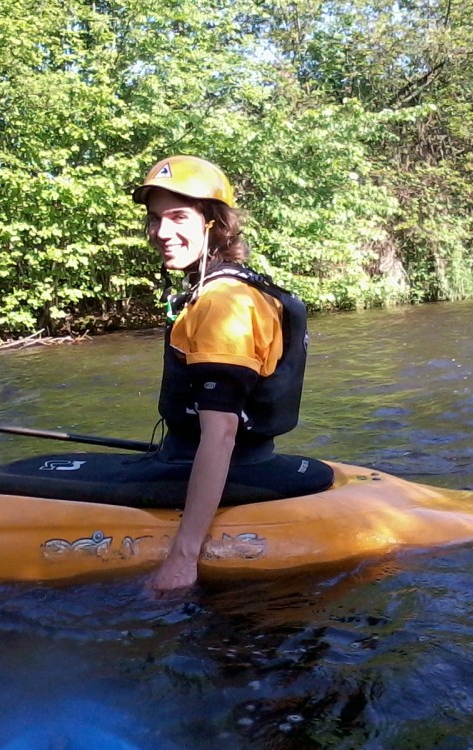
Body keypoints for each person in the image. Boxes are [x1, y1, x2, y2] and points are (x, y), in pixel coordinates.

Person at [131, 155, 310, 592]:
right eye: (155, 219)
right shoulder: (230, 287)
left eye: (178, 217)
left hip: (234, 464)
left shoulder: (222, 302)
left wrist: (183, 557)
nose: (161, 232)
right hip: (243, 456)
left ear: (214, 224)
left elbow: (221, 434)